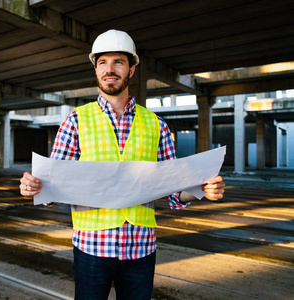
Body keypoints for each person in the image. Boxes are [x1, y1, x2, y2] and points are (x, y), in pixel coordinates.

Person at [19, 29, 225, 300]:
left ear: (131, 70)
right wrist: (33, 186)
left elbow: (175, 192)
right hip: (92, 247)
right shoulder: (75, 121)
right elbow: (52, 185)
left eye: (118, 62)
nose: (110, 69)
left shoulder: (157, 125)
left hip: (141, 249)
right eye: (103, 62)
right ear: (96, 70)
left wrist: (202, 188)